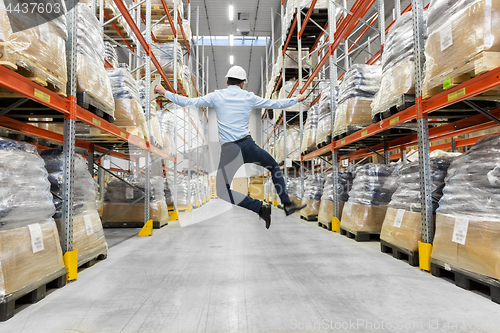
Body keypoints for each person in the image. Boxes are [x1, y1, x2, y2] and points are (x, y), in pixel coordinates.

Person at [154, 65, 306, 229]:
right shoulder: (249, 96)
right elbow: (275, 103)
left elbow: (189, 102)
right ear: (242, 83)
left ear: (227, 81)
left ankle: (259, 207)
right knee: (274, 165)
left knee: (222, 190)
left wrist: (164, 92)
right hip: (249, 146)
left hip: (230, 151)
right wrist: (296, 99)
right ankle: (287, 204)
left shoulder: (217, 95)